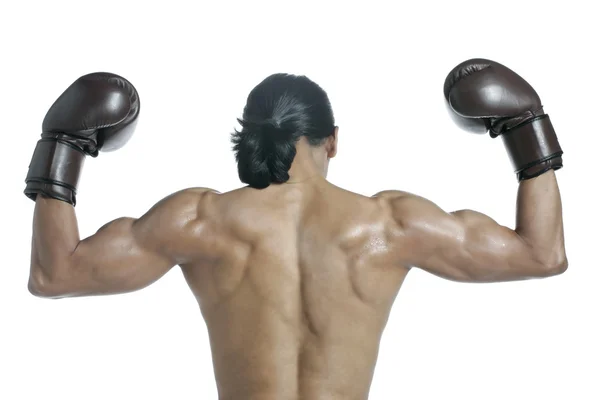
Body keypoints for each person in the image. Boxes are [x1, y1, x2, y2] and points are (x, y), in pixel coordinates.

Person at [25, 59, 567, 400]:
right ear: (332, 140)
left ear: (249, 138)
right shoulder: (392, 223)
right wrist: (527, 133)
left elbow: (57, 274)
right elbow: (541, 255)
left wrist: (63, 149)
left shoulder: (199, 220)